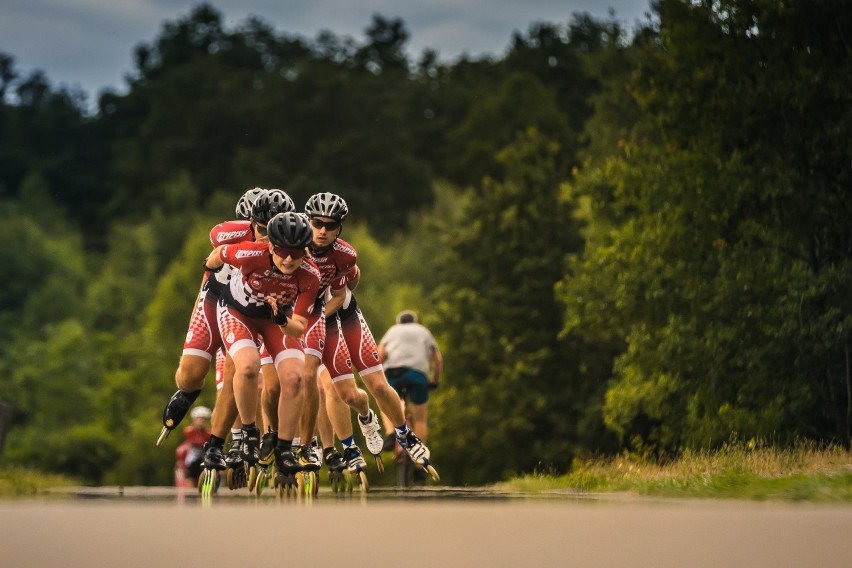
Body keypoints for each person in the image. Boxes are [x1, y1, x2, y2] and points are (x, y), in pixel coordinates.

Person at [304, 192, 434, 475]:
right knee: (341, 393)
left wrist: (316, 317)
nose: (323, 230)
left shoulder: (345, 254)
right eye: (317, 223)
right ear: (307, 221)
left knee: (376, 383)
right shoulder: (292, 242)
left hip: (343, 314)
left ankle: (404, 434)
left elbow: (347, 287)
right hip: (311, 320)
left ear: (340, 228)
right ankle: (356, 425)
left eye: (331, 225)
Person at [203, 211, 321, 480]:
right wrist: (207, 274)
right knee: (247, 368)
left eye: (296, 252)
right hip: (237, 313)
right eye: (282, 251)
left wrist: (281, 318)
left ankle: (284, 448)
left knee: (295, 377)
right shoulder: (249, 253)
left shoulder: (310, 276)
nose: (289, 259)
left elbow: (299, 326)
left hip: (275, 321)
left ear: (305, 251)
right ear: (270, 245)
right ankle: (248, 433)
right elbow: (220, 253)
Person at [378, 310, 442, 448]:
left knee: (384, 403)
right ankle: (420, 464)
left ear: (398, 322)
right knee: (420, 420)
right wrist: (435, 381)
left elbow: (379, 354)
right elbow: (438, 360)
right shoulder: (423, 331)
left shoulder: (392, 331)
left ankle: (390, 433)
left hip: (394, 374)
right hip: (418, 376)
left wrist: (377, 378)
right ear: (415, 322)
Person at [175, 405, 212, 487]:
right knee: (190, 472)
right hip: (192, 458)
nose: (201, 421)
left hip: (203, 457)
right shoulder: (189, 431)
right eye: (199, 418)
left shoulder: (208, 433)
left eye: (203, 419)